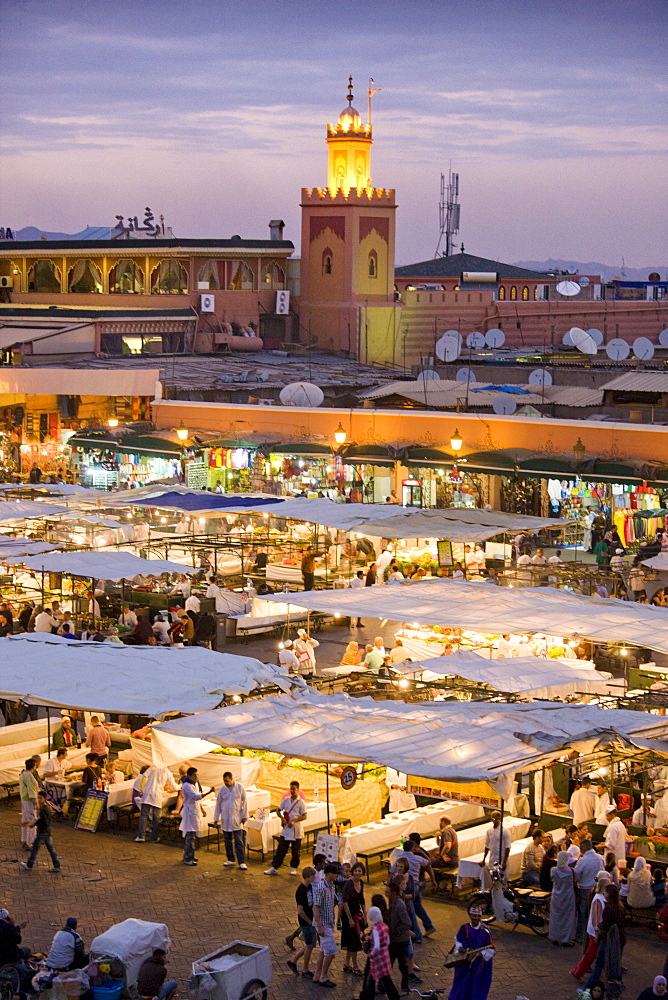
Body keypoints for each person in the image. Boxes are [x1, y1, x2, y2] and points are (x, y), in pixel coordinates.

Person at [446, 902, 494, 1000]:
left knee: (476, 988)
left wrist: (478, 955)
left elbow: (491, 950)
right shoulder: (464, 928)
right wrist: (461, 948)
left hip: (479, 967)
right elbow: (458, 940)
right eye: (474, 915)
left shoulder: (485, 932)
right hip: (464, 965)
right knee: (460, 985)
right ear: (469, 915)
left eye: (478, 916)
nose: (476, 918)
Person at [571, 871, 611, 982]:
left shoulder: (600, 897)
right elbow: (596, 917)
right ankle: (578, 972)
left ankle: (579, 972)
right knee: (591, 954)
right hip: (596, 932)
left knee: (596, 953)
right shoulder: (598, 899)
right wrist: (597, 929)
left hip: (595, 931)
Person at [585, 882, 626, 990]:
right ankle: (617, 987)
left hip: (608, 940)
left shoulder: (609, 909)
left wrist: (599, 934)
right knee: (615, 964)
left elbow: (606, 927)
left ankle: (588, 989)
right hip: (619, 940)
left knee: (599, 964)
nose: (604, 893)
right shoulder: (620, 907)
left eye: (606, 892)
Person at [264, 780, 307, 875]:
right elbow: (278, 810)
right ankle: (275, 867)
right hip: (286, 828)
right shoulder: (286, 800)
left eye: (294, 789)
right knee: (281, 849)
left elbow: (304, 816)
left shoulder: (301, 803)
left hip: (296, 829)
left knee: (295, 850)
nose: (292, 791)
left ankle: (293, 867)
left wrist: (294, 821)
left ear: (298, 790)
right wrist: (282, 818)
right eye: (291, 789)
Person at [312, 862, 339, 987]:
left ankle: (317, 975)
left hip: (328, 923)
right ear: (329, 874)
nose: (337, 875)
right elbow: (316, 907)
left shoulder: (332, 886)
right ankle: (323, 976)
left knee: (323, 950)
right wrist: (319, 926)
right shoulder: (321, 888)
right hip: (323, 924)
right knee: (330, 951)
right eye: (335, 873)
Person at [213, 771, 248, 869]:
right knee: (227, 840)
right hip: (225, 818)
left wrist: (245, 816)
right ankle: (230, 859)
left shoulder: (240, 788)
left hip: (237, 818)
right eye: (224, 781)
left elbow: (244, 802)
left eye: (227, 781)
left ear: (232, 779)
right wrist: (216, 818)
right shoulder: (222, 790)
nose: (225, 783)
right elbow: (218, 804)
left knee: (239, 841)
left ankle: (241, 861)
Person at [286, 866, 317, 978]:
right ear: (308, 877)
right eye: (313, 875)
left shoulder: (309, 888)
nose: (315, 877)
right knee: (310, 945)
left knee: (310, 943)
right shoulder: (301, 891)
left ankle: (293, 960)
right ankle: (305, 969)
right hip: (306, 921)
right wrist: (309, 921)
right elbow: (300, 910)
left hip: (310, 919)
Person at [574, 838, 606, 944]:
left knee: (583, 913)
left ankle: (579, 936)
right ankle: (592, 936)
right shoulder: (600, 858)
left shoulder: (582, 861)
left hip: (584, 889)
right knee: (595, 913)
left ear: (583, 848)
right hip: (597, 889)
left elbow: (576, 875)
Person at [20, 789, 60, 872]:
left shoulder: (43, 810)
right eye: (38, 798)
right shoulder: (46, 808)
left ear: (44, 799)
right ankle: (56, 865)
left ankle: (29, 864)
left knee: (35, 849)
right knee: (51, 849)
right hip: (47, 832)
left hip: (42, 832)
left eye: (40, 798)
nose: (39, 800)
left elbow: (43, 821)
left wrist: (33, 824)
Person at [136, 764, 178, 843]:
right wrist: (182, 787)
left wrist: (141, 790)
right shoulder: (168, 773)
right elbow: (174, 786)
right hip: (157, 795)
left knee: (144, 816)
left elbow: (144, 777)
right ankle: (153, 837)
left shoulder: (152, 767)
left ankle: (141, 836)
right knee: (156, 817)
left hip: (147, 793)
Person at [385, 879, 411, 994]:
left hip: (400, 941)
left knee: (401, 964)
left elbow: (407, 923)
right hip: (395, 940)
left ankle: (404, 986)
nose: (386, 894)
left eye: (388, 892)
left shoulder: (399, 905)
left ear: (394, 893)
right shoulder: (392, 902)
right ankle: (384, 986)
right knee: (390, 962)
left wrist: (395, 930)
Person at [341, 862, 366, 974]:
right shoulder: (348, 884)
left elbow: (362, 899)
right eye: (355, 871)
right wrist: (350, 918)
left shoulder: (361, 883)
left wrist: (365, 914)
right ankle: (355, 966)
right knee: (354, 941)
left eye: (359, 871)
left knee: (352, 940)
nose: (357, 873)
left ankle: (347, 963)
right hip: (348, 915)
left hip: (356, 913)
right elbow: (345, 902)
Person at [549, 851, 577, 945]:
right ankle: (566, 939)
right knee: (567, 919)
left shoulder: (553, 870)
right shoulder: (571, 871)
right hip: (568, 897)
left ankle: (554, 936)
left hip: (556, 896)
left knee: (555, 917)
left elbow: (552, 879)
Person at [180, 766, 204, 866]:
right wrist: (209, 792)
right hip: (189, 813)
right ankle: (187, 857)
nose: (196, 777)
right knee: (190, 835)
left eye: (197, 775)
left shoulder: (195, 784)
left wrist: (202, 809)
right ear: (189, 776)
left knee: (192, 835)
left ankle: (191, 854)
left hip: (195, 812)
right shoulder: (186, 786)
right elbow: (195, 797)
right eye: (194, 775)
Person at [480, 810, 510, 878]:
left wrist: (504, 862)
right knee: (493, 878)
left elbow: (507, 847)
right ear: (492, 820)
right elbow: (487, 846)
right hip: (493, 859)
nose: (497, 821)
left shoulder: (505, 831)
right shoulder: (489, 831)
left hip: (501, 858)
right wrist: (484, 859)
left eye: (499, 819)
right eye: (495, 819)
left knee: (502, 879)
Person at [19, 758, 39, 850]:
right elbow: (31, 790)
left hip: (24, 799)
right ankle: (30, 842)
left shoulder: (23, 774)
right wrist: (35, 802)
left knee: (25, 820)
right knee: (32, 820)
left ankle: (24, 839)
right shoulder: (29, 776)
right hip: (29, 800)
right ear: (33, 766)